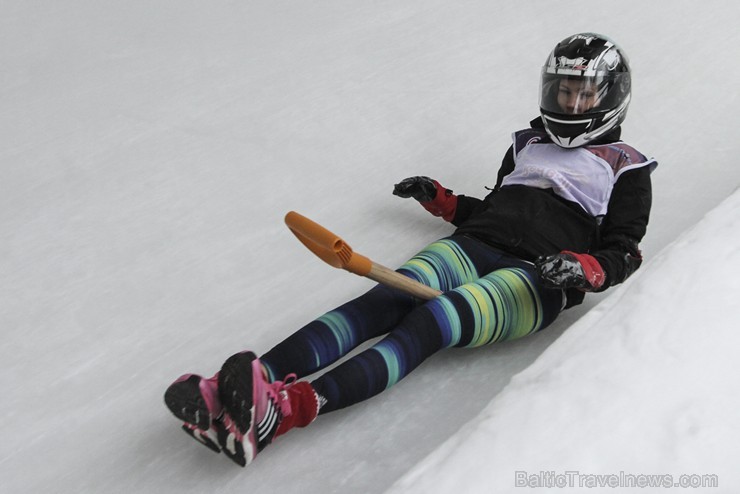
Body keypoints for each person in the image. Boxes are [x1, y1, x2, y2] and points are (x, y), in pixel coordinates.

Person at [164, 32, 657, 467]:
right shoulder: (527, 142)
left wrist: (581, 267)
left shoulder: (627, 167)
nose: (571, 104)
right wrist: (443, 201)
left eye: (583, 93)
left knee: (430, 322)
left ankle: (286, 410)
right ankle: (246, 387)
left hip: (536, 279)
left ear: (609, 97)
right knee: (382, 301)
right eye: (564, 91)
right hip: (474, 244)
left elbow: (625, 253)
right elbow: (498, 208)